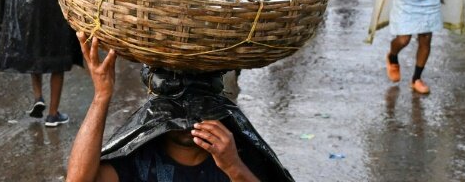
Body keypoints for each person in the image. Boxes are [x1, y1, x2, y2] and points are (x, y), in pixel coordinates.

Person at [66, 36, 294, 182]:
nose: (187, 120)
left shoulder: (237, 156)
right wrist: (101, 96)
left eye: (200, 108)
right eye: (174, 111)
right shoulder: (140, 161)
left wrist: (234, 167)